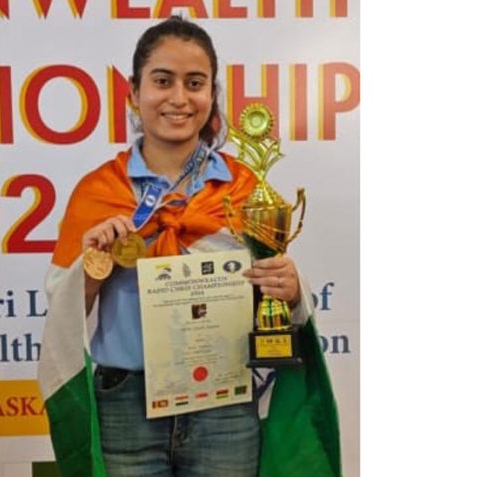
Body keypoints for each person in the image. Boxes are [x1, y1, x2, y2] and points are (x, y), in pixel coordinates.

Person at [38, 16, 340, 477]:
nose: (179, 98)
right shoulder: (99, 191)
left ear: (211, 95)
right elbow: (62, 315)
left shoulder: (245, 190)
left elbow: (273, 300)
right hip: (125, 410)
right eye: (163, 81)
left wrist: (291, 288)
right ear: (134, 93)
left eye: (195, 83)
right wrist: (93, 268)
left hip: (225, 409)